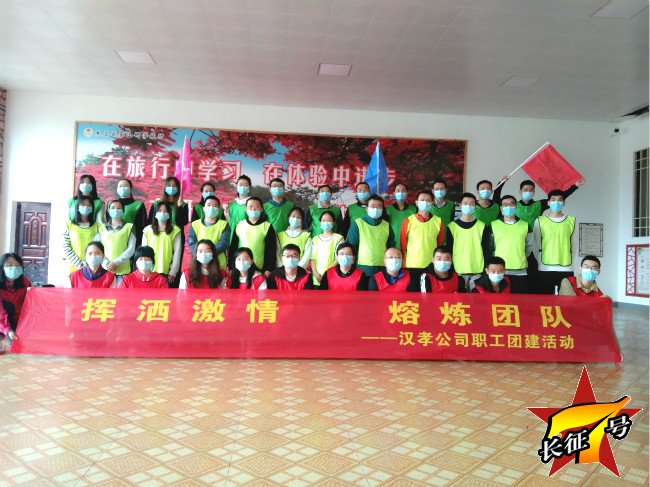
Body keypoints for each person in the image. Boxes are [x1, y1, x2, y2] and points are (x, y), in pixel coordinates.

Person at [486, 195, 533, 293]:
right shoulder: (493, 225)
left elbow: (530, 245)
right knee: (501, 300)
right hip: (499, 272)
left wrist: (520, 255)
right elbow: (490, 247)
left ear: (516, 206)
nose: (509, 207)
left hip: (520, 270)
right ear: (501, 208)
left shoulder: (525, 225)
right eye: (505, 205)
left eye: (511, 204)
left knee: (519, 300)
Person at [532, 189, 576, 294]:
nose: (556, 202)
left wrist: (567, 257)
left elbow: (574, 245)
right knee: (545, 299)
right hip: (545, 267)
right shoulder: (540, 220)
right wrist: (540, 259)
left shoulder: (571, 220)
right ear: (548, 203)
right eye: (553, 199)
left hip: (566, 267)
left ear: (564, 202)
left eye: (560, 200)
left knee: (566, 299)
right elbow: (535, 244)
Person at [446, 193, 490, 288]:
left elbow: (486, 249)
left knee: (476, 296)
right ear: (460, 205)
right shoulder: (451, 227)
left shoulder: (482, 226)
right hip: (458, 270)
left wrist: (486, 268)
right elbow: (449, 250)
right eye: (465, 203)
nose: (468, 206)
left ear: (475, 206)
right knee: (460, 297)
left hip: (478, 270)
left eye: (471, 204)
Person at [347, 194, 395, 276]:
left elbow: (391, 247)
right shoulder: (357, 224)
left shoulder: (387, 225)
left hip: (383, 267)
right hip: (363, 268)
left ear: (382, 209)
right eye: (372, 206)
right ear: (366, 208)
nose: (376, 209)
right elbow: (351, 248)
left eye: (379, 207)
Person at [508, 177, 585, 228]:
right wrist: (502, 183)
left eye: (531, 190)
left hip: (534, 238)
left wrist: (575, 186)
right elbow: (500, 202)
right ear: (520, 191)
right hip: (517, 237)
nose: (528, 192)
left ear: (534, 192)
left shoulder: (539, 204)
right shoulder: (513, 205)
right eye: (525, 190)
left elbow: (559, 197)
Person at [229, 196, 278, 276]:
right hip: (240, 266)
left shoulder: (267, 226)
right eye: (250, 206)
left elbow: (271, 250)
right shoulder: (239, 225)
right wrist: (231, 267)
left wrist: (269, 268)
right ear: (246, 209)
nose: (253, 209)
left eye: (257, 207)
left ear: (261, 209)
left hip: (260, 267)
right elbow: (233, 247)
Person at [400, 189, 445, 270]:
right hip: (412, 264)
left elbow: (439, 244)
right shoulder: (408, 221)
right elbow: (403, 245)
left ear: (432, 203)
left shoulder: (438, 222)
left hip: (431, 265)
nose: (425, 202)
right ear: (417, 202)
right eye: (422, 200)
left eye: (428, 200)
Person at [95, 199, 136, 285]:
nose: (116, 210)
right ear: (108, 210)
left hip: (123, 271)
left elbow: (131, 248)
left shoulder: (129, 227)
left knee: (121, 293)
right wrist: (106, 263)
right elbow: (96, 248)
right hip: (105, 269)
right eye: (113, 208)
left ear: (123, 211)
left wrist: (116, 262)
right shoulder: (101, 228)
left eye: (119, 208)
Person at [142, 201, 182, 286]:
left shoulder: (176, 230)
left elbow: (177, 253)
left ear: (169, 213)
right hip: (149, 270)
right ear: (155, 213)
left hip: (167, 272)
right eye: (159, 211)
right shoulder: (147, 230)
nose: (162, 213)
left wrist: (173, 271)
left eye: (165, 211)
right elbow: (144, 253)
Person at [187, 196, 230, 270]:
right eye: (209, 205)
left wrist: (208, 254)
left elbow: (223, 243)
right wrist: (201, 255)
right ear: (204, 208)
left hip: (218, 263)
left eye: (215, 206)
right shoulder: (195, 224)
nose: (211, 208)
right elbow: (192, 243)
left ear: (219, 209)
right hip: (198, 263)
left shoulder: (224, 225)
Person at [63, 195, 99, 275]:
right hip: (74, 268)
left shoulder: (97, 226)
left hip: (92, 268)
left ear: (92, 208)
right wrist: (79, 263)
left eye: (88, 205)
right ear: (77, 207)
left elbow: (98, 248)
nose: (86, 207)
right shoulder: (69, 224)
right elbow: (65, 246)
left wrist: (90, 264)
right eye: (83, 204)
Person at [0, 253, 30, 342]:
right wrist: (8, 330)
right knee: (8, 305)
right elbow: (1, 312)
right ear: (2, 267)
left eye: (17, 265)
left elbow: (29, 304)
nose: (14, 268)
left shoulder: (24, 281)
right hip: (3, 321)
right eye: (9, 265)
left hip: (19, 319)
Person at [309, 211, 344, 285]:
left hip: (332, 276)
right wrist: (316, 273)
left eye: (329, 220)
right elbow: (312, 258)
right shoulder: (315, 239)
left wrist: (326, 274)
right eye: (323, 220)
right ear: (320, 223)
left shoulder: (338, 238)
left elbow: (338, 258)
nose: (326, 223)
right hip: (317, 277)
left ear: (333, 222)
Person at [109, 178, 147, 246]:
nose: (122, 188)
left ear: (130, 188)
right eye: (120, 186)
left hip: (132, 238)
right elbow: (108, 223)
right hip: (113, 239)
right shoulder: (111, 205)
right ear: (117, 189)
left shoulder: (138, 205)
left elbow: (141, 226)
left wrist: (138, 244)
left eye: (125, 186)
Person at [386, 182, 416, 250]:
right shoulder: (387, 210)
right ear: (394, 193)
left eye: (403, 191)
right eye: (398, 191)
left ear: (407, 193)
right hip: (392, 246)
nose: (400, 193)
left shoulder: (414, 210)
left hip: (409, 246)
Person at [227, 175, 252, 242]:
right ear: (237, 187)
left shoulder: (253, 203)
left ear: (249, 187)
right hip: (232, 236)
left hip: (247, 237)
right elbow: (229, 221)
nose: (243, 187)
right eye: (240, 185)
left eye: (246, 185)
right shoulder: (232, 204)